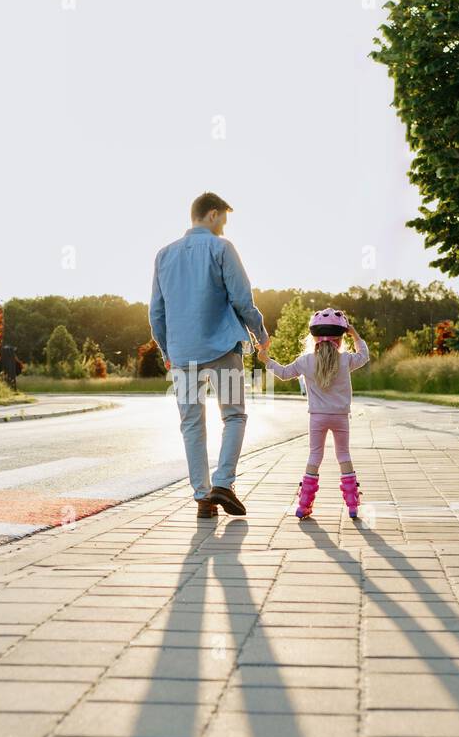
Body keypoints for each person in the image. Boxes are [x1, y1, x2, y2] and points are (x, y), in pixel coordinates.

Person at [150, 192, 268, 518]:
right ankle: (224, 483)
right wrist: (260, 334)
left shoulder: (164, 255)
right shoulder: (221, 248)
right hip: (220, 348)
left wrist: (166, 350)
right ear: (212, 214)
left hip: (182, 353)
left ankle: (203, 498)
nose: (224, 229)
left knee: (191, 423)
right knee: (233, 415)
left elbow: (155, 314)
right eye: (223, 222)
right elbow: (243, 299)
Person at [257, 308, 369, 519]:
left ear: (314, 338)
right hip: (340, 417)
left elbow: (282, 374)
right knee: (343, 455)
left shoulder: (305, 361)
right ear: (340, 339)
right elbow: (364, 355)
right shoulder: (345, 360)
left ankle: (304, 504)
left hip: (317, 417)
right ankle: (353, 505)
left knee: (314, 456)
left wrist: (266, 360)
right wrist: (355, 334)